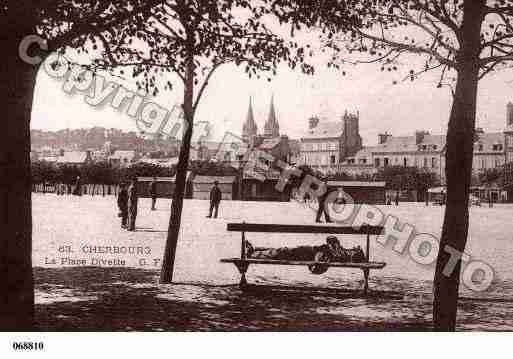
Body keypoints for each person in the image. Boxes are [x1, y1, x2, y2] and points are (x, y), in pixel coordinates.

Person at [245, 236, 365, 274]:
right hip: (308, 252)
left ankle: (254, 253)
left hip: (305, 253)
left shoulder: (335, 253)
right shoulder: (342, 252)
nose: (354, 248)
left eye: (355, 250)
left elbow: (318, 264)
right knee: (282, 251)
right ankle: (255, 251)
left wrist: (314, 265)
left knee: (282, 252)